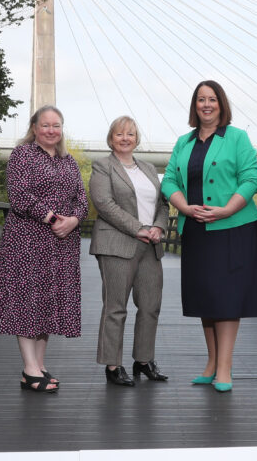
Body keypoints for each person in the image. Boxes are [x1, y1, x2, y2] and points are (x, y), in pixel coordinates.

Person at [161, 80, 257, 393]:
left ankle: (225, 368)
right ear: (195, 105)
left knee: (227, 298)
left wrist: (225, 210)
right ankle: (211, 362)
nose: (206, 104)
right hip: (197, 229)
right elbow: (169, 182)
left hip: (232, 228)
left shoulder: (237, 137)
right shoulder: (184, 142)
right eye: (201, 99)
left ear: (221, 104)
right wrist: (185, 209)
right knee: (206, 296)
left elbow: (249, 180)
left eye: (212, 99)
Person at [0, 105, 88, 393]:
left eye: (56, 125)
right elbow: (19, 194)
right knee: (27, 300)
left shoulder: (69, 162)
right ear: (34, 127)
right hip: (27, 240)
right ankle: (29, 368)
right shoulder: (23, 155)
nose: (51, 130)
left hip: (61, 243)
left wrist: (74, 219)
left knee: (47, 301)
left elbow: (82, 197)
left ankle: (39, 366)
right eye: (45, 125)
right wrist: (53, 218)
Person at [89, 116, 170, 386]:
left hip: (150, 244)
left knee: (150, 306)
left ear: (137, 139)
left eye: (131, 134)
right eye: (120, 134)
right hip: (117, 243)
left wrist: (158, 227)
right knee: (116, 307)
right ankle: (113, 366)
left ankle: (143, 361)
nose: (125, 138)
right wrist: (138, 228)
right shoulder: (103, 166)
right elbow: (104, 203)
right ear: (111, 138)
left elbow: (163, 204)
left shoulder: (148, 168)